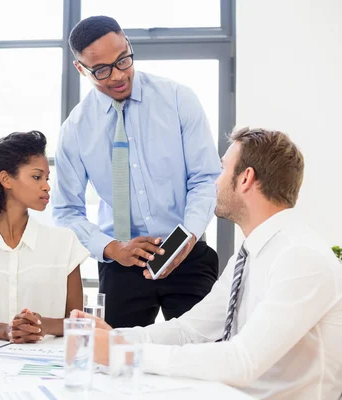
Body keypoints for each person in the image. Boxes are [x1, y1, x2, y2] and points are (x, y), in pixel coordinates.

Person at [73, 128, 342, 399]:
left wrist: (126, 353)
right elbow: (190, 331)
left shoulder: (300, 258)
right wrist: (117, 339)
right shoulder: (248, 255)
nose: (215, 182)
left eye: (223, 169)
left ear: (246, 178)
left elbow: (241, 362)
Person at [53, 16, 221, 328]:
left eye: (123, 60)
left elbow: (206, 177)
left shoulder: (177, 98)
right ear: (81, 68)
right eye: (101, 70)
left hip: (188, 253)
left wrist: (186, 238)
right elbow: (65, 212)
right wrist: (112, 248)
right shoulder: (75, 129)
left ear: (128, 45)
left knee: (201, 355)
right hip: (121, 263)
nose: (118, 75)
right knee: (114, 361)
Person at [0, 131, 89, 343]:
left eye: (47, 178)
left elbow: (80, 321)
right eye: (37, 177)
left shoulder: (65, 243)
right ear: (6, 179)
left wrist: (43, 325)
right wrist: (6, 331)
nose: (47, 186)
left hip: (48, 368)